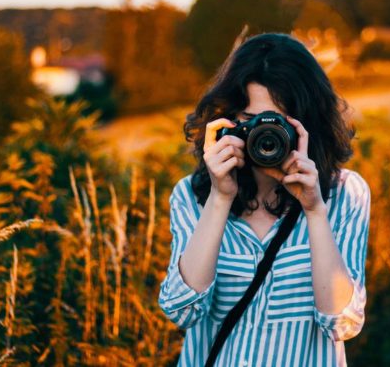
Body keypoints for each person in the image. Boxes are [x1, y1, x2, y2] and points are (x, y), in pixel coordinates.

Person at [158, 32, 371, 366]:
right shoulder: (193, 196)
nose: (265, 135)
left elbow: (341, 322)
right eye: (251, 122)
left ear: (307, 123)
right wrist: (219, 198)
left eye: (279, 122)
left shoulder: (344, 195)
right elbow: (180, 311)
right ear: (226, 121)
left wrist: (315, 211)